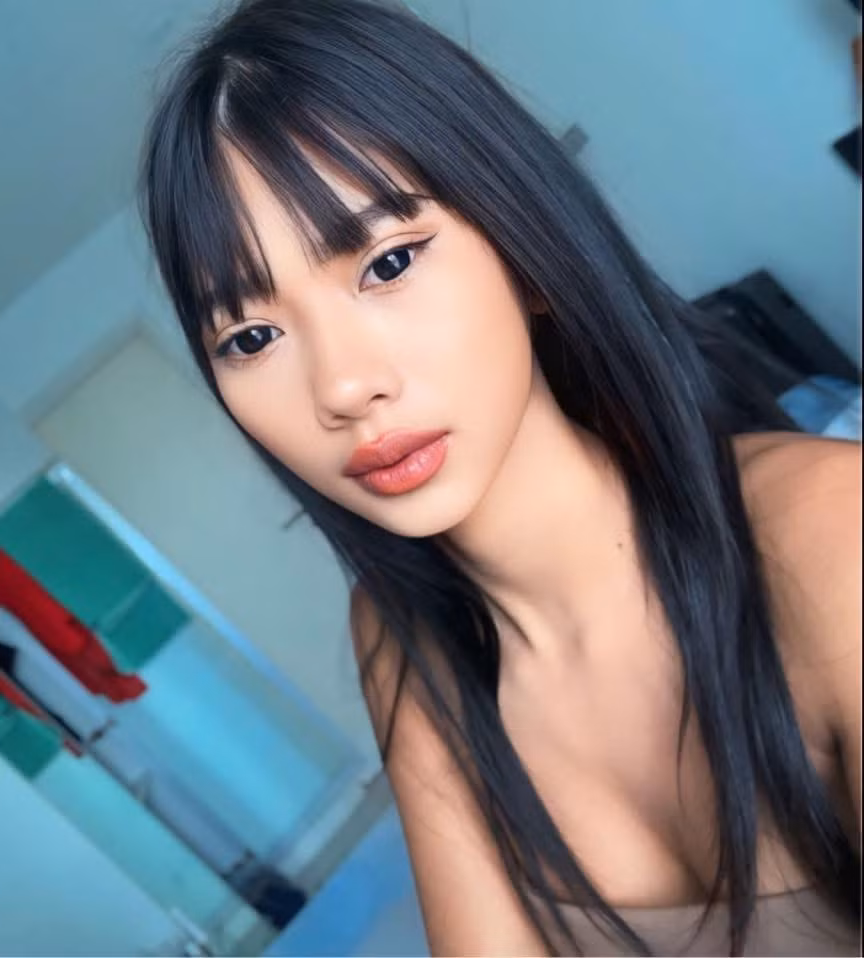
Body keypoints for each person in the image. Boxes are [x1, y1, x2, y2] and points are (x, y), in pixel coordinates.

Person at [138, 0, 862, 953]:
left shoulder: (834, 529)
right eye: (252, 337)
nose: (344, 387)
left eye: (389, 262)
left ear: (526, 248)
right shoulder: (405, 640)